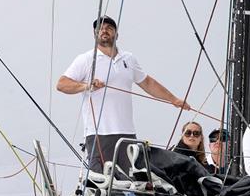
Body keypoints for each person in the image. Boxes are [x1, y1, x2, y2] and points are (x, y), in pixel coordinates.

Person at [57, 15, 190, 173]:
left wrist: (173, 99)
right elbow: (62, 84)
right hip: (99, 133)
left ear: (117, 34)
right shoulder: (86, 59)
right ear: (94, 34)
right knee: (101, 180)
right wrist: (87, 86)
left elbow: (147, 83)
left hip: (126, 132)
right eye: (100, 28)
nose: (104, 30)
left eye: (109, 28)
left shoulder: (129, 58)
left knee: (130, 180)